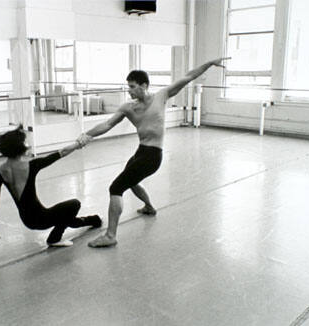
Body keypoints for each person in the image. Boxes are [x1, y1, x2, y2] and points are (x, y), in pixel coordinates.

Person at [78, 57, 230, 248]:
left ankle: (110, 235)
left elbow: (188, 77)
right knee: (130, 181)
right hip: (140, 152)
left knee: (116, 188)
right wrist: (87, 136)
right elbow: (107, 124)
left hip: (152, 156)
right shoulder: (128, 107)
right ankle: (149, 207)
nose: (130, 90)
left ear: (144, 85)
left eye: (133, 86)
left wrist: (207, 64)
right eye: (128, 87)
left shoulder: (162, 96)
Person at [0, 125, 102, 247]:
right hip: (42, 218)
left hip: (27, 221)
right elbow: (61, 152)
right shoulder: (31, 166)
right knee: (74, 204)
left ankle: (94, 220)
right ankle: (54, 239)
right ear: (19, 148)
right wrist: (78, 144)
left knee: (67, 219)